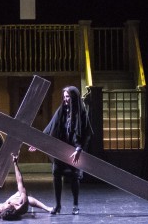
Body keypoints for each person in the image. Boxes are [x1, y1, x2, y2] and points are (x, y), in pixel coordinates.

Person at [29, 85, 93, 215]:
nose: (65, 99)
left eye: (68, 97)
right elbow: (50, 127)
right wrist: (38, 143)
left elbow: (87, 133)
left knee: (75, 177)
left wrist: (79, 149)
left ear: (74, 97)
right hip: (60, 149)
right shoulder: (61, 110)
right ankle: (58, 205)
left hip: (74, 150)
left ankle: (75, 205)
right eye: (64, 97)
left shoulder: (81, 113)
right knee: (56, 174)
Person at [0, 153, 55, 220]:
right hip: (17, 202)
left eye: (7, 204)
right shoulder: (22, 204)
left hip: (5, 206)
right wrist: (15, 163)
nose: (8, 202)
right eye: (9, 204)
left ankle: (47, 208)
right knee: (27, 197)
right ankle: (46, 208)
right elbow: (20, 182)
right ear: (14, 207)